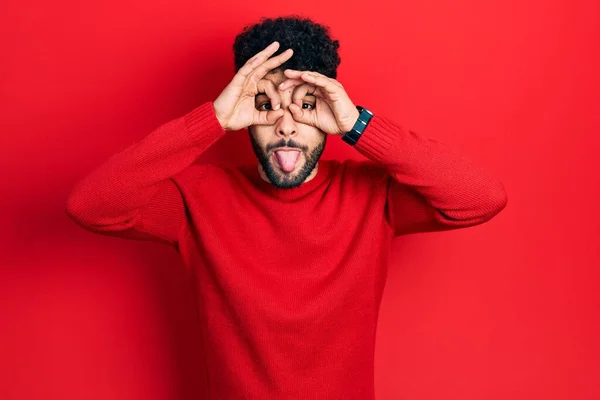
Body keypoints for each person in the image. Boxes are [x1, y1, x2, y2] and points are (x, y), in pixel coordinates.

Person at [66, 15, 508, 400]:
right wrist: (211, 121)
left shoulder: (373, 198)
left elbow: (480, 199)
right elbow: (91, 205)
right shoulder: (195, 199)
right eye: (266, 105)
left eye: (306, 106)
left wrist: (359, 125)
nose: (285, 126)